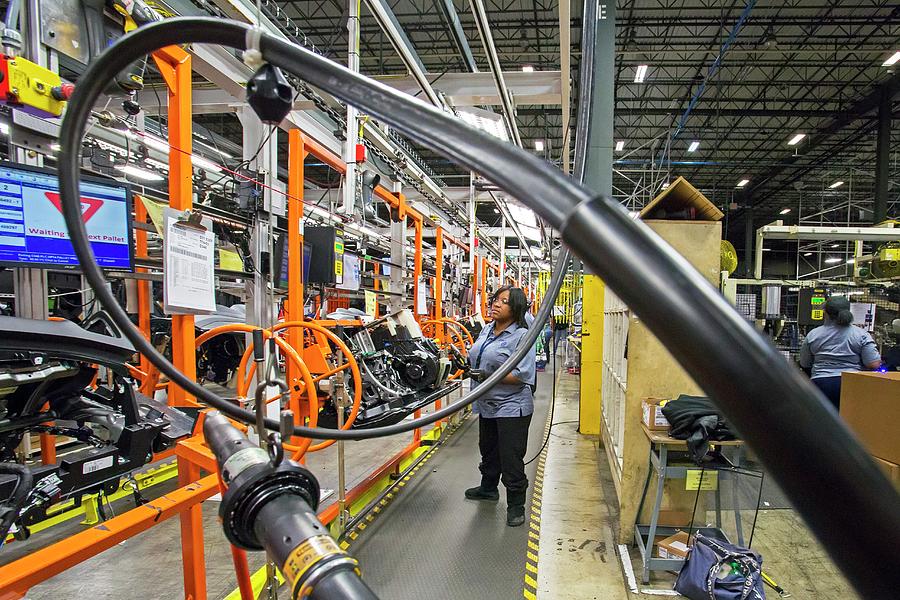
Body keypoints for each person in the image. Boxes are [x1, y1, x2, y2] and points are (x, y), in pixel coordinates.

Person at [464, 286, 536, 527]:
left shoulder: (522, 336)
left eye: (504, 302)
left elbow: (522, 375)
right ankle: (488, 488)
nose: (496, 304)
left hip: (511, 405)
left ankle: (516, 505)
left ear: (515, 309)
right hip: (486, 403)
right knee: (488, 449)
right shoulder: (486, 329)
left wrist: (486, 375)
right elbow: (477, 355)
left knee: (510, 457)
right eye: (496, 299)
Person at [799, 296, 882, 410]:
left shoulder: (813, 335)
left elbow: (804, 363)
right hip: (852, 385)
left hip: (821, 385)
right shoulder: (861, 335)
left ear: (825, 313)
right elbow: (874, 364)